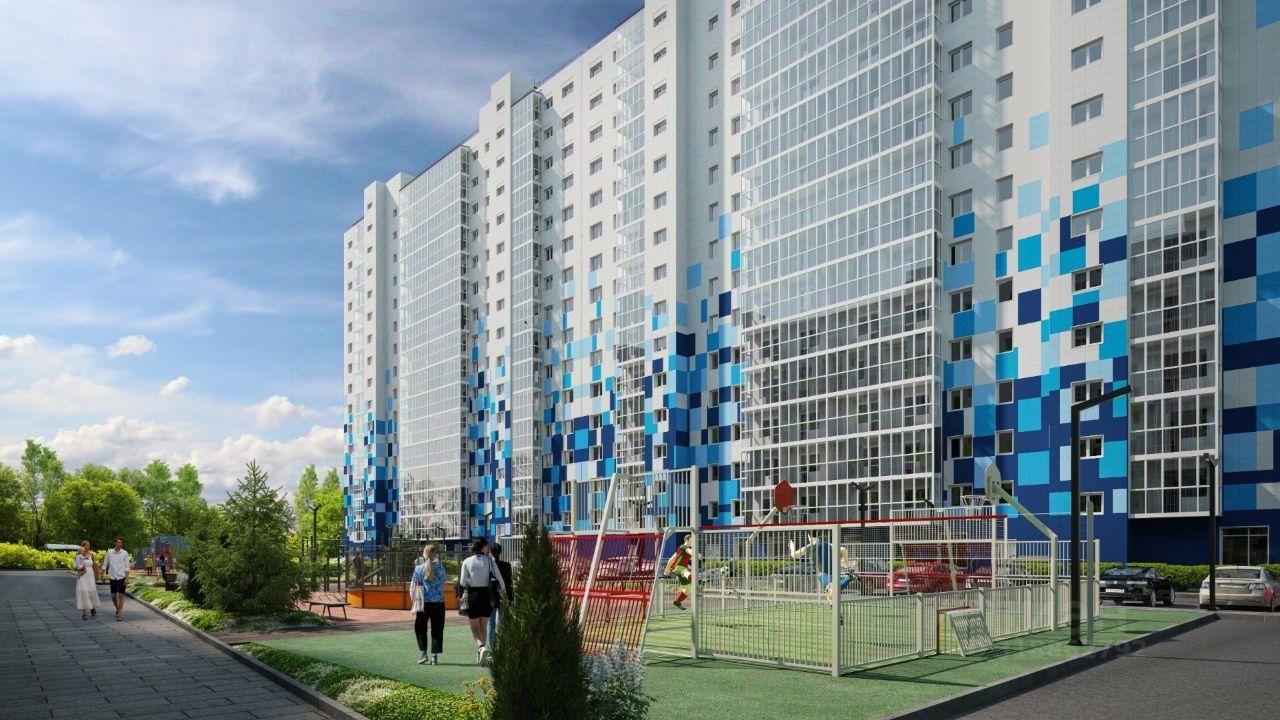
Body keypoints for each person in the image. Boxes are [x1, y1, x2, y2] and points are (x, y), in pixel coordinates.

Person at [459, 539, 506, 666]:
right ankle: (481, 653)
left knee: (474, 627)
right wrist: (503, 593)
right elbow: (500, 579)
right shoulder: (489, 561)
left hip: (473, 595)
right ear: (484, 547)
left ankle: (481, 648)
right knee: (483, 626)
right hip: (487, 596)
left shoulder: (467, 561)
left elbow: (462, 582)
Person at [410, 544, 448, 665]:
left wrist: (414, 601)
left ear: (424, 554)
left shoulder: (418, 569)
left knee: (420, 628)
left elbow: (413, 587)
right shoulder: (440, 568)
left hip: (423, 603)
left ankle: (423, 653)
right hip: (439, 603)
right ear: (435, 554)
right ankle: (434, 656)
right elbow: (443, 582)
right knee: (437, 629)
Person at [789, 531, 853, 601]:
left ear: (809, 536)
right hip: (833, 573)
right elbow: (843, 549)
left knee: (831, 589)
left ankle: (849, 577)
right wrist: (846, 563)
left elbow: (794, 555)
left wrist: (792, 547)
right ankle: (848, 578)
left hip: (823, 574)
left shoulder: (810, 546)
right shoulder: (827, 544)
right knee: (830, 592)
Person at [487, 543, 515, 650]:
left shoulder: (488, 565)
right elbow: (509, 584)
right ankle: (503, 647)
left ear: (490, 551)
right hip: (504, 596)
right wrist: (511, 598)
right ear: (501, 552)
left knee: (491, 624)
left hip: (491, 597)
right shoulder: (507, 565)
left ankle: (492, 649)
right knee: (503, 624)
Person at [664, 534, 698, 610]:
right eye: (692, 540)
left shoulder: (683, 550)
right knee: (687, 573)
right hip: (678, 568)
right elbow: (672, 559)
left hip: (681, 570)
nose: (693, 542)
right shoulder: (682, 547)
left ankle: (677, 602)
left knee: (687, 591)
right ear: (687, 540)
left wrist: (667, 570)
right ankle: (695, 583)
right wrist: (666, 569)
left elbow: (672, 558)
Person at [103, 537, 132, 621]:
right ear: (115, 543)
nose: (120, 544)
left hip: (122, 576)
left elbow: (127, 566)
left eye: (121, 543)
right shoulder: (109, 552)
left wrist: (127, 578)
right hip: (112, 576)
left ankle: (119, 614)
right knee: (113, 596)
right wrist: (102, 575)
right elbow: (105, 564)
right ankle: (117, 609)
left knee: (121, 595)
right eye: (118, 542)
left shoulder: (124, 553)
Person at [73, 540, 100, 620]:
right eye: (86, 545)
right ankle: (84, 613)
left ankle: (92, 607)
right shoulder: (79, 555)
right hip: (83, 576)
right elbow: (75, 566)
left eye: (89, 545)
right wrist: (80, 571)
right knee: (83, 593)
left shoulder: (91, 554)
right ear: (83, 546)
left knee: (91, 592)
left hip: (90, 575)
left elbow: (95, 565)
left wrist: (97, 575)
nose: (88, 547)